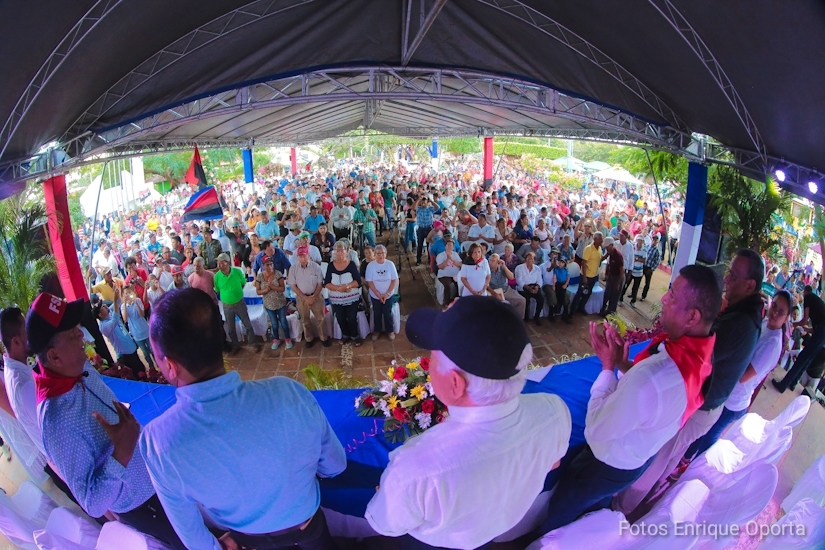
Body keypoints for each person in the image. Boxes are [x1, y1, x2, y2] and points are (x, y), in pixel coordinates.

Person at [139, 289, 345, 550]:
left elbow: (194, 538)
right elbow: (335, 465)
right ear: (222, 335)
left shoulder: (158, 442)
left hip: (246, 541)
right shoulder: (288, 393)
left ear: (169, 365)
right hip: (308, 529)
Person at [366, 296, 571, 549]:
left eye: (432, 359)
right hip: (497, 531)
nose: (428, 366)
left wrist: (386, 491)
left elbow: (385, 524)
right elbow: (553, 463)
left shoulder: (412, 471)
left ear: (456, 384)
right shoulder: (554, 411)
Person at [537, 264, 721, 535]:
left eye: (672, 295)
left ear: (693, 317)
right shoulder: (700, 357)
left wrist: (608, 367)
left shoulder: (654, 377)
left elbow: (597, 427)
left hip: (606, 462)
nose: (663, 299)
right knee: (593, 511)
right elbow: (654, 403)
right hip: (634, 460)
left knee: (562, 511)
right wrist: (625, 365)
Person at [27, 293, 186, 549]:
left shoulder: (81, 368)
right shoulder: (56, 422)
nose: (82, 335)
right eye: (72, 335)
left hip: (155, 471)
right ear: (54, 357)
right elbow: (92, 503)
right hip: (144, 502)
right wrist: (121, 453)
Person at [615, 248, 765, 519]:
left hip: (700, 408)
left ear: (750, 285)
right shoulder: (745, 314)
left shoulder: (740, 323)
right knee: (665, 460)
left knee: (656, 461)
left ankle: (620, 510)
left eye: (733, 276)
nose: (727, 280)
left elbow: (694, 354)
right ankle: (635, 506)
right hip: (704, 405)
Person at [687, 290, 791, 459]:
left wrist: (728, 361)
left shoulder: (773, 344)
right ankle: (687, 461)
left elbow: (744, 377)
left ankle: (692, 466)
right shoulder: (766, 323)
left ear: (786, 318)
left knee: (706, 438)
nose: (775, 313)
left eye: (781, 312)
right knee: (701, 433)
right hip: (729, 392)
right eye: (775, 306)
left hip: (734, 401)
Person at [773, 284, 825, 392]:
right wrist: (805, 329)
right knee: (807, 359)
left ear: (804, 292)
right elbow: (814, 328)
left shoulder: (808, 297)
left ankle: (784, 384)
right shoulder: (816, 302)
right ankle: (793, 383)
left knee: (802, 358)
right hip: (821, 333)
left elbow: (804, 320)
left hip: (821, 331)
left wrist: (794, 324)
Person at [214, 253, 261, 355]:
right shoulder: (217, 276)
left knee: (247, 325)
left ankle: (253, 344)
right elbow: (217, 290)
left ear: (227, 263)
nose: (219, 265)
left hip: (239, 303)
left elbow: (243, 283)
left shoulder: (237, 272)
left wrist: (236, 294)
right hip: (227, 306)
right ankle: (236, 346)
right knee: (231, 328)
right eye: (218, 263)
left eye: (221, 263)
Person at [94, 290, 147, 377]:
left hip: (131, 347)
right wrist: (115, 301)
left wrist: (118, 292)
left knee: (141, 368)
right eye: (102, 307)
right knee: (136, 374)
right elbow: (115, 319)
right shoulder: (104, 327)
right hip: (125, 353)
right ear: (100, 315)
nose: (104, 306)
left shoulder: (109, 312)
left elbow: (118, 302)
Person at [288, 246, 330, 349]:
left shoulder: (315, 267)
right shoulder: (293, 268)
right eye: (300, 256)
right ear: (297, 257)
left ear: (308, 255)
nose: (302, 258)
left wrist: (313, 296)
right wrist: (305, 297)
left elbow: (320, 283)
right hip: (301, 297)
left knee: (321, 318)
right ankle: (309, 338)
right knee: (305, 320)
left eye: (304, 256)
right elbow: (293, 286)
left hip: (316, 296)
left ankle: (323, 338)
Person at [325, 242, 364, 346]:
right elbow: (326, 283)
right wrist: (338, 288)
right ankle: (345, 335)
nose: (340, 253)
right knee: (340, 318)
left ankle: (355, 336)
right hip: (336, 299)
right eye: (337, 250)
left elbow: (358, 282)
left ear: (346, 252)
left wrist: (347, 286)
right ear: (334, 252)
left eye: (342, 250)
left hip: (351, 297)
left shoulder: (351, 264)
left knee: (352, 318)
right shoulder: (330, 266)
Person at [256, 254, 292, 350]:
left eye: (271, 264)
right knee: (274, 323)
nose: (270, 266)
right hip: (268, 304)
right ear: (263, 265)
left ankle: (287, 338)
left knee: (283, 321)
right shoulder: (260, 276)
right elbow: (258, 291)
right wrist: (266, 290)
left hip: (280, 303)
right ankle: (276, 339)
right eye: (267, 265)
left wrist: (272, 287)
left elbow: (282, 289)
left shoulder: (278, 274)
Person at [365, 244, 398, 341]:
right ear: (374, 254)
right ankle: (377, 330)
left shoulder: (390, 264)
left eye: (382, 253)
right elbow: (370, 282)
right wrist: (378, 294)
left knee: (387, 313)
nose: (380, 255)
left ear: (386, 254)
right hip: (375, 295)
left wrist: (387, 294)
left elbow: (394, 280)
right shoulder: (370, 266)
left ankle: (390, 331)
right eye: (378, 253)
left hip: (388, 294)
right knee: (377, 313)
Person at [568, 231, 603, 319]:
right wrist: (584, 277)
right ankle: (571, 312)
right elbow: (583, 263)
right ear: (595, 239)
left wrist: (608, 254)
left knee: (588, 293)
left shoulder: (599, 248)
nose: (602, 241)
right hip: (586, 276)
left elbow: (600, 259)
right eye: (600, 239)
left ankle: (581, 307)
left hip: (594, 275)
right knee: (580, 293)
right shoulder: (588, 249)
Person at [121, 288, 154, 369]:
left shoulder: (138, 300)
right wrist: (124, 303)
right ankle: (152, 367)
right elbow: (125, 319)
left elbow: (142, 314)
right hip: (136, 333)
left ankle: (159, 364)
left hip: (145, 330)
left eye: (129, 292)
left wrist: (136, 302)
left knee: (152, 349)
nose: (128, 295)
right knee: (145, 352)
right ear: (123, 295)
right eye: (126, 294)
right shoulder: (123, 306)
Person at [515, 251, 544, 325]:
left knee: (541, 299)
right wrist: (528, 288)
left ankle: (537, 317)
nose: (529, 260)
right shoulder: (520, 268)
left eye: (531, 259)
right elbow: (519, 281)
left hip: (534, 286)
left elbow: (540, 280)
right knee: (526, 300)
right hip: (524, 287)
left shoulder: (537, 268)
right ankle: (526, 317)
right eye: (528, 258)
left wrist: (537, 287)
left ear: (534, 260)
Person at [599, 237, 624, 316]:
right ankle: (603, 309)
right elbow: (604, 260)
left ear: (612, 245)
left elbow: (621, 271)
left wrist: (618, 283)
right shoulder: (610, 253)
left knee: (614, 296)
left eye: (607, 246)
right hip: (611, 276)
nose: (606, 248)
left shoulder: (618, 256)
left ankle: (610, 313)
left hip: (618, 277)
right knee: (607, 293)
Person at [436, 238, 462, 307]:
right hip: (444, 275)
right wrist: (447, 258)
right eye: (448, 245)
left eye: (451, 245)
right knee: (448, 285)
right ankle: (447, 302)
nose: (449, 246)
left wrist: (452, 259)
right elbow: (441, 267)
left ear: (453, 247)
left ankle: (456, 301)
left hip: (455, 274)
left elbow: (460, 264)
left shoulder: (455, 254)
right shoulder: (440, 255)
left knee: (459, 284)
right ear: (445, 246)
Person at [413, 196, 435, 265]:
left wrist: (431, 201)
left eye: (424, 203)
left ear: (427, 203)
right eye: (422, 203)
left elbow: (438, 207)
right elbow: (413, 208)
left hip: (429, 228)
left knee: (429, 245)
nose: (423, 204)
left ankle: (430, 259)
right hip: (421, 229)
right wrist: (418, 199)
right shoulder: (418, 209)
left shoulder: (430, 208)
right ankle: (418, 260)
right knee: (420, 245)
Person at [626, 236, 647, 304]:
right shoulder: (633, 247)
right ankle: (620, 298)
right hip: (631, 270)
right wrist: (637, 259)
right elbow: (630, 257)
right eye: (638, 240)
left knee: (636, 287)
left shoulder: (644, 250)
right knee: (626, 284)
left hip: (639, 272)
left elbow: (644, 260)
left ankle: (633, 301)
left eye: (641, 240)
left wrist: (636, 259)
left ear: (642, 241)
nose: (639, 242)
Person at [640, 234, 661, 301]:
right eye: (653, 240)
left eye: (655, 240)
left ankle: (643, 296)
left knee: (647, 283)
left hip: (649, 268)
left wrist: (652, 269)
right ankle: (633, 293)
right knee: (638, 279)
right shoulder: (647, 246)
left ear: (657, 242)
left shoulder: (657, 251)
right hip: (643, 266)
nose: (654, 241)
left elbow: (657, 261)